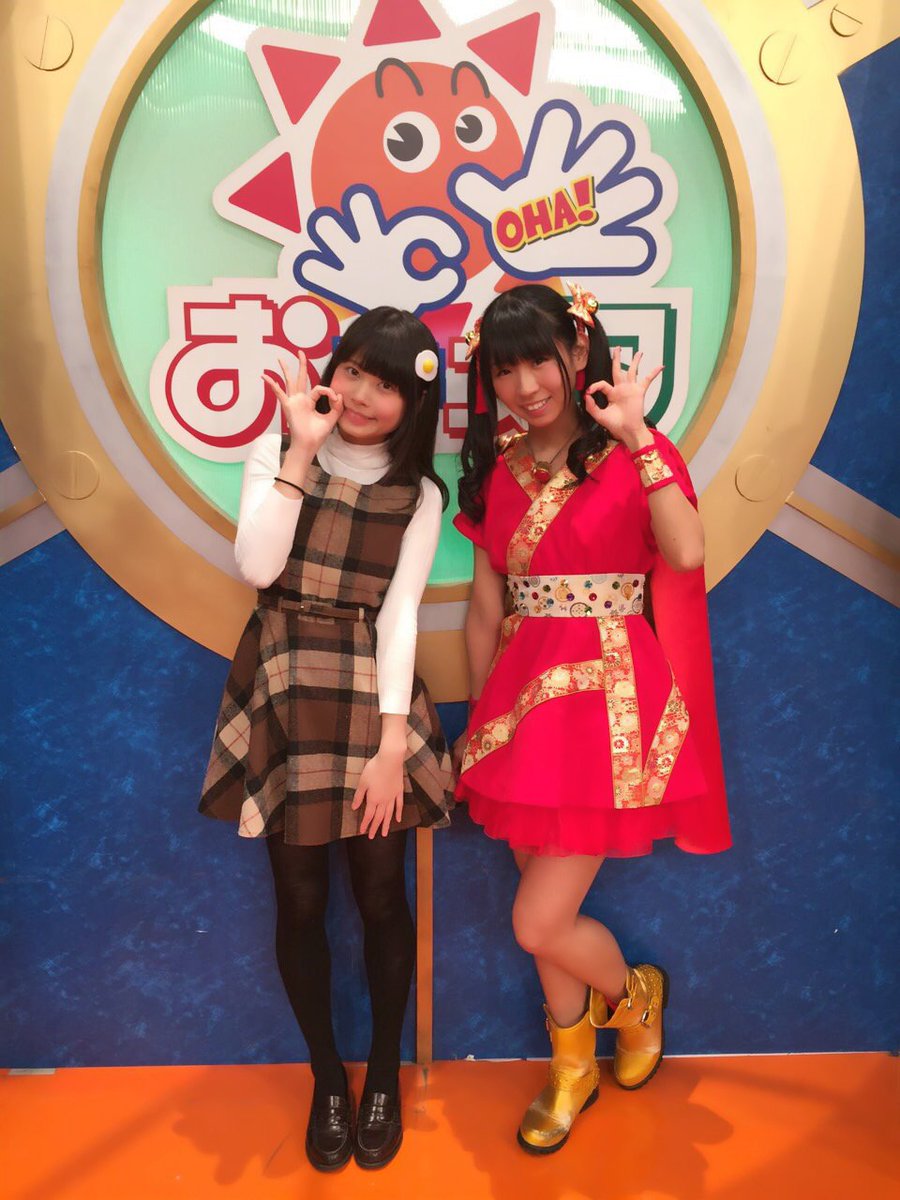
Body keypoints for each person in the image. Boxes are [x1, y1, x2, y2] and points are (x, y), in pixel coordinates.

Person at [453, 283, 730, 1154]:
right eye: (506, 370)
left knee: (537, 920)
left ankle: (635, 998)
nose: (527, 385)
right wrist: (480, 725)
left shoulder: (634, 450)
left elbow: (687, 551)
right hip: (519, 711)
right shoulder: (498, 470)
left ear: (578, 353)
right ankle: (573, 1068)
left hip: (609, 707)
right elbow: (485, 609)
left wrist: (639, 439)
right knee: (540, 904)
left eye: (540, 360)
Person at [199, 308, 454, 1172]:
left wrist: (391, 746)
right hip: (284, 682)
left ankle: (382, 1071)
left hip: (369, 691)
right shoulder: (278, 450)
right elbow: (257, 568)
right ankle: (325, 1077)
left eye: (386, 384)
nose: (363, 394)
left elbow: (401, 613)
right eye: (353, 371)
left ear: (415, 402)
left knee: (381, 896)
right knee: (299, 901)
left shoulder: (421, 493)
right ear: (331, 370)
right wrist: (300, 455)